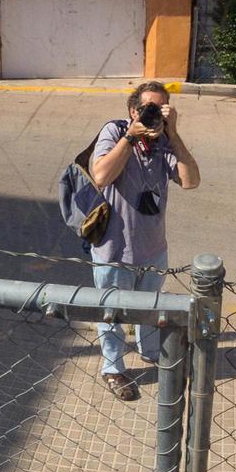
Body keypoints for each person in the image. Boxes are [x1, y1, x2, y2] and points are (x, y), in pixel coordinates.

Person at [86, 80, 201, 399]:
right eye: (146, 108)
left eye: (159, 109)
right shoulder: (114, 131)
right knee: (112, 313)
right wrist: (130, 136)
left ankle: (151, 353)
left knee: (150, 310)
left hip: (153, 251)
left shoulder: (166, 142)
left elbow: (191, 181)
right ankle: (113, 368)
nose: (151, 114)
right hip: (114, 251)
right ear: (132, 110)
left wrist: (173, 133)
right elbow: (101, 175)